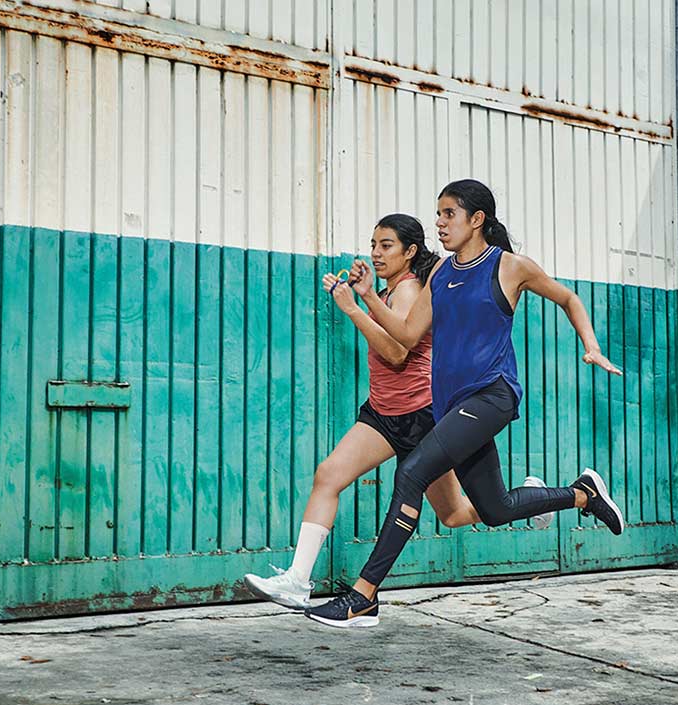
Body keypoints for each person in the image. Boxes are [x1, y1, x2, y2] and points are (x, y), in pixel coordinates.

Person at [304, 180, 624, 629]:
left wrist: (590, 345)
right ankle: (582, 494)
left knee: (412, 471)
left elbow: (568, 298)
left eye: (448, 214)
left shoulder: (509, 267)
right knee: (493, 509)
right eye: (438, 214)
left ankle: (362, 598)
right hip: (452, 404)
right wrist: (369, 299)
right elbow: (409, 335)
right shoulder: (440, 274)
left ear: (477, 220)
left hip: (492, 394)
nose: (439, 222)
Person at [243, 213, 552, 611]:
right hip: (382, 413)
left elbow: (396, 353)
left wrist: (354, 308)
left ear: (410, 252)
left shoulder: (409, 291)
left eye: (385, 246)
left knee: (455, 514)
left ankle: (531, 500)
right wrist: (367, 294)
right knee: (330, 476)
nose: (375, 253)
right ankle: (298, 580)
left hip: (421, 417)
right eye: (373, 245)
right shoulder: (388, 292)